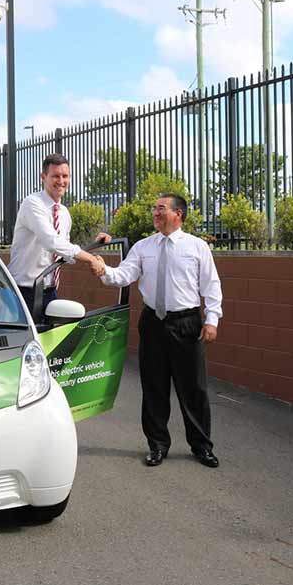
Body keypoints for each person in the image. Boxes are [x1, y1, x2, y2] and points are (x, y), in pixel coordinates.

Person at [96, 194, 223, 468]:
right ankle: (157, 445)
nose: (155, 212)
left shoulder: (197, 247)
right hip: (153, 323)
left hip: (186, 323)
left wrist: (212, 319)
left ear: (178, 214)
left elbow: (211, 286)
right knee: (154, 387)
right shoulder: (144, 247)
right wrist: (103, 269)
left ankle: (201, 446)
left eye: (161, 208)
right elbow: (124, 275)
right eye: (154, 208)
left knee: (194, 388)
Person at [9, 153, 110, 313]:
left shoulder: (64, 213)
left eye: (65, 176)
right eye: (56, 176)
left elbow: (65, 253)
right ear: (43, 177)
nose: (61, 181)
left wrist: (94, 248)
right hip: (23, 292)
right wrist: (89, 258)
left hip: (49, 291)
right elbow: (51, 242)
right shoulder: (32, 203)